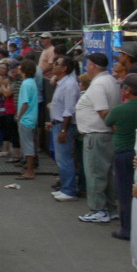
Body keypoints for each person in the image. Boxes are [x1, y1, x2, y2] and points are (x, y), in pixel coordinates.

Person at [75, 53, 121, 224]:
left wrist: (114, 127)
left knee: (95, 174)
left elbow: (103, 112)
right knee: (107, 174)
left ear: (93, 65)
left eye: (88, 64)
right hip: (105, 135)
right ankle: (110, 208)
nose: (86, 67)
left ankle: (98, 210)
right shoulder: (109, 80)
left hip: (97, 134)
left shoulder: (98, 85)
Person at [105, 73, 137, 239]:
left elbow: (108, 121)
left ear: (128, 90)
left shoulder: (121, 109)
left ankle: (127, 229)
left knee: (125, 192)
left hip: (124, 153)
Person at [49, 56, 81, 202]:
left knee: (65, 159)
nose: (53, 65)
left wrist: (63, 130)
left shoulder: (69, 85)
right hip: (58, 124)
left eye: (57, 64)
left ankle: (69, 190)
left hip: (64, 126)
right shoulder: (61, 83)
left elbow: (69, 110)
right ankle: (65, 187)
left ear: (64, 69)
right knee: (61, 159)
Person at [15, 59, 39, 180]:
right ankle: (29, 169)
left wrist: (19, 116)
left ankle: (30, 171)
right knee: (29, 144)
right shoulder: (32, 82)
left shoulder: (25, 84)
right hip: (32, 116)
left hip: (26, 118)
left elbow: (25, 103)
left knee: (27, 145)